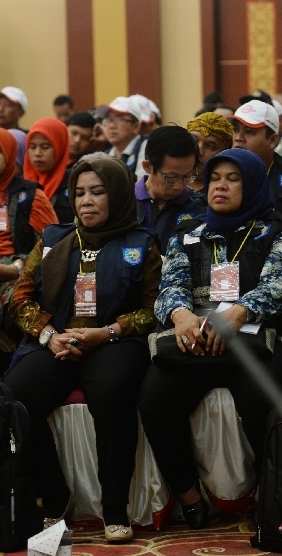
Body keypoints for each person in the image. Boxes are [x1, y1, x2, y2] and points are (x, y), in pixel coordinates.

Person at [138, 148, 282, 529]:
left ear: (252, 185)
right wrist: (180, 315)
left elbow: (280, 286)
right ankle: (189, 495)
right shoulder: (190, 232)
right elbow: (171, 285)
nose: (221, 186)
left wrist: (239, 311)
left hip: (262, 336)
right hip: (199, 339)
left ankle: (269, 490)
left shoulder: (276, 229)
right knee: (155, 399)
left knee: (259, 396)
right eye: (215, 178)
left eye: (233, 179)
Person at [5, 157, 162, 542]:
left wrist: (108, 332)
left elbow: (152, 308)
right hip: (56, 341)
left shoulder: (141, 244)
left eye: (97, 192)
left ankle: (114, 508)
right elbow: (20, 297)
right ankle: (54, 499)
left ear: (119, 195)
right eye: (79, 193)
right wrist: (49, 335)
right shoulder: (53, 239)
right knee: (15, 398)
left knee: (112, 393)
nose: (86, 201)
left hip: (114, 341)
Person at [0, 129, 58, 333]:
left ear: (8, 155)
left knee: (14, 309)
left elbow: (53, 247)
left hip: (20, 270)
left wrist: (17, 267)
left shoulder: (32, 195)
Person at [136, 126, 207, 248]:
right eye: (171, 177)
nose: (178, 187)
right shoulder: (123, 204)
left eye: (187, 176)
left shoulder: (201, 208)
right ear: (147, 167)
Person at [24, 117, 74, 224]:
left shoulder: (74, 182)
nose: (37, 153)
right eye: (32, 147)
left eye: (45, 147)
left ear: (60, 147)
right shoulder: (19, 185)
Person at [103, 97, 148, 178]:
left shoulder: (146, 146)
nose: (111, 126)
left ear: (136, 127)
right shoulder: (107, 154)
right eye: (108, 120)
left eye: (119, 119)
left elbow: (142, 184)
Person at [186, 111, 233, 186]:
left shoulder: (224, 190)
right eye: (193, 141)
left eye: (210, 147)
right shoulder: (168, 184)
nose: (199, 152)